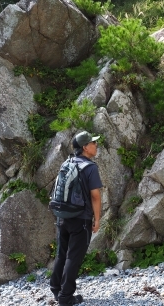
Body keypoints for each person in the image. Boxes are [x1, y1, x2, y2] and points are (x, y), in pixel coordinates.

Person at [50, 131, 102, 306]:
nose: (96, 145)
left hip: (62, 216)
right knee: (74, 257)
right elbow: (95, 196)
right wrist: (97, 219)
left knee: (62, 253)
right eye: (93, 143)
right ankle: (66, 297)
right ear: (85, 147)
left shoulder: (68, 162)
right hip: (81, 219)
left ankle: (56, 289)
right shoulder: (90, 167)